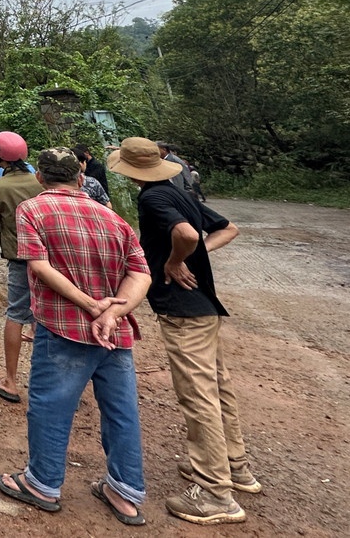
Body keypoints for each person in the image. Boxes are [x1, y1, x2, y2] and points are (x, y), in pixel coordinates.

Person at [0, 148, 152, 525]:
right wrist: (114, 311)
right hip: (115, 334)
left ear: (40, 179)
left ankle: (42, 483)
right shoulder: (114, 219)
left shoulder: (32, 210)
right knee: (122, 412)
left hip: (64, 327)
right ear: (80, 179)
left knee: (51, 406)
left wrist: (89, 305)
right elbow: (140, 273)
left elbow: (38, 264)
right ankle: (125, 491)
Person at [120, 137, 261, 525]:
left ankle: (216, 493)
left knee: (197, 397)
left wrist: (175, 259)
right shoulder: (176, 189)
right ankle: (236, 467)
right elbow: (228, 228)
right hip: (205, 307)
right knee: (217, 386)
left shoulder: (152, 198)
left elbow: (185, 235)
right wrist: (194, 254)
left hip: (183, 311)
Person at [0, 130, 39, 404]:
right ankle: (50, 381)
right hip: (47, 257)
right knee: (47, 314)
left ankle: (10, 380)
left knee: (16, 313)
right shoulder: (40, 182)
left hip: (18, 256)